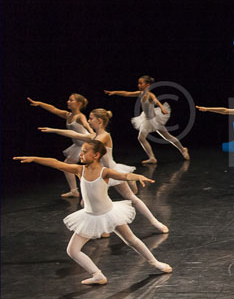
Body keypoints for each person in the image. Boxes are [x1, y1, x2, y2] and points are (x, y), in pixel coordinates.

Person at [13, 140, 172, 286]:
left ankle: (155, 262)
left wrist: (137, 176)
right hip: (90, 217)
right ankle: (98, 275)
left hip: (109, 213)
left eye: (84, 152)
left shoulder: (104, 172)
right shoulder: (79, 170)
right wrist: (34, 158)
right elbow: (56, 163)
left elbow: (123, 175)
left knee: (131, 240)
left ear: (96, 155)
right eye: (81, 151)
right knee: (72, 251)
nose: (80, 154)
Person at [39, 108, 169, 233]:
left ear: (99, 121)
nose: (88, 121)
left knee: (131, 197)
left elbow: (88, 140)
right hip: (99, 174)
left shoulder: (104, 136)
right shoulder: (95, 136)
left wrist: (83, 138)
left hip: (111, 171)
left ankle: (155, 222)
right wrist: (53, 130)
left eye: (91, 119)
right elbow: (75, 134)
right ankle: (102, 230)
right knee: (85, 202)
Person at [105, 75, 189, 164]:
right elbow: (127, 93)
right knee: (141, 138)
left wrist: (162, 108)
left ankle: (183, 149)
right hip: (146, 119)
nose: (138, 85)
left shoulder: (150, 95)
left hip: (154, 119)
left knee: (167, 136)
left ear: (147, 85)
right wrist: (114, 92)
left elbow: (156, 101)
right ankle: (152, 158)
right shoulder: (140, 93)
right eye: (138, 83)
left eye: (141, 83)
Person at [27, 93, 93, 197]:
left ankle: (93, 188)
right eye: (68, 100)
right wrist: (40, 103)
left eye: (71, 100)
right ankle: (74, 190)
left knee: (90, 166)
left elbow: (85, 124)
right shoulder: (68, 115)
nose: (68, 102)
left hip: (86, 144)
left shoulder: (80, 116)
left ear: (79, 103)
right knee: (67, 165)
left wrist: (92, 132)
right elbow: (53, 109)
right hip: (77, 145)